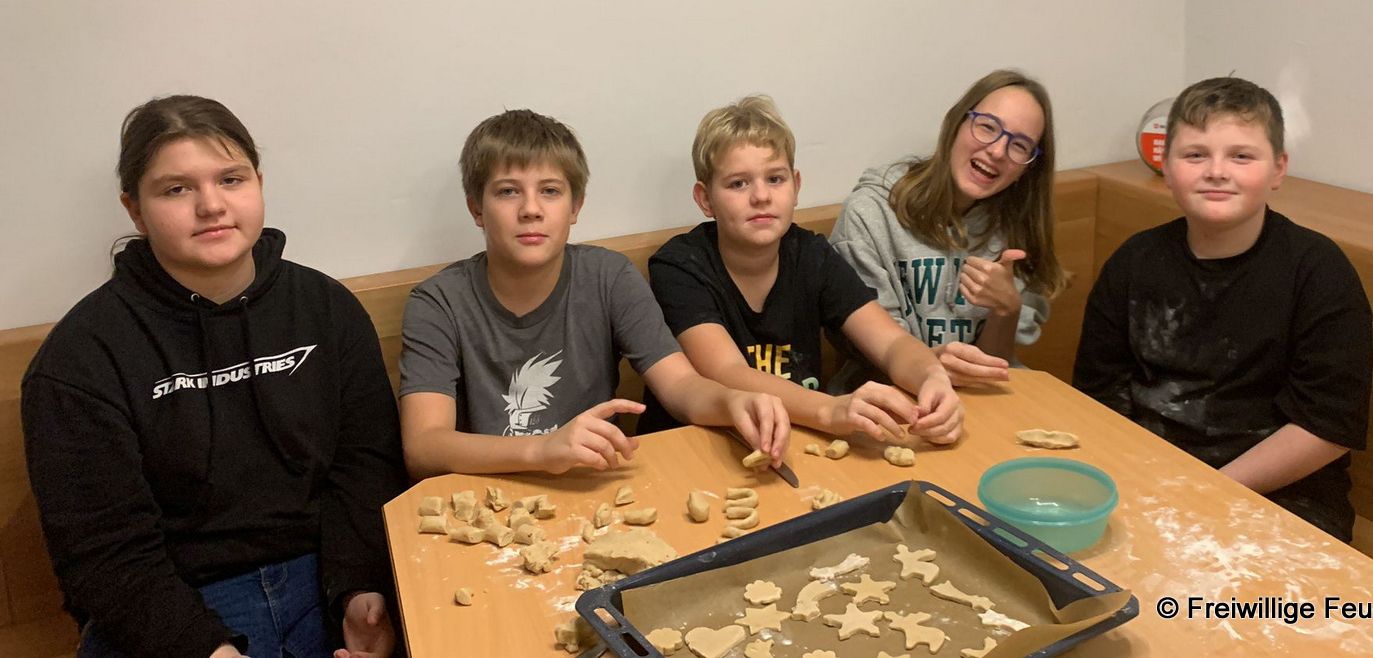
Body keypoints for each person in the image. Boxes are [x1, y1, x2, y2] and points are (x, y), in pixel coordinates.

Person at [22, 95, 407, 658]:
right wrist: (206, 649)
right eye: (176, 189)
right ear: (135, 210)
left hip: (325, 575)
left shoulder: (326, 308)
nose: (211, 205)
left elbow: (366, 465)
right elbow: (103, 553)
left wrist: (360, 589)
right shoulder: (80, 358)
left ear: (259, 184)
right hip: (172, 604)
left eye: (231, 179)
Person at [397, 109, 789, 477]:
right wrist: (541, 449)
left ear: (575, 207)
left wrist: (731, 400)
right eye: (508, 192)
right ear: (477, 209)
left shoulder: (609, 277)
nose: (531, 209)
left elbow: (681, 387)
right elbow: (423, 447)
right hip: (487, 495)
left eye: (550, 191)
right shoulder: (438, 302)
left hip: (595, 486)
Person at [1072, 76, 1373, 541]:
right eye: (1195, 155)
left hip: (1282, 499)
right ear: (1166, 168)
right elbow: (1099, 395)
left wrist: (1205, 492)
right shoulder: (1134, 261)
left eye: (1241, 156)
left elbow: (1327, 428)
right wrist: (1137, 481)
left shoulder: (1318, 272)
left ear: (1278, 170)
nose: (1216, 171)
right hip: (1144, 478)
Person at [641, 96, 963, 443]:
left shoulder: (812, 255)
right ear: (706, 199)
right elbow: (726, 372)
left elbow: (891, 343)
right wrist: (830, 410)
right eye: (738, 183)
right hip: (701, 446)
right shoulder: (679, 266)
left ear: (796, 186)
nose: (761, 196)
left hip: (799, 437)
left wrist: (932, 376)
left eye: (775, 179)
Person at [829, 69, 1071, 391]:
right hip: (885, 397)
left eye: (1020, 145)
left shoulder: (1016, 227)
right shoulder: (872, 213)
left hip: (978, 398)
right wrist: (930, 366)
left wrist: (1006, 310)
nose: (997, 151)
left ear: (1027, 168)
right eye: (988, 127)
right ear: (956, 123)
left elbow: (990, 368)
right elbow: (875, 353)